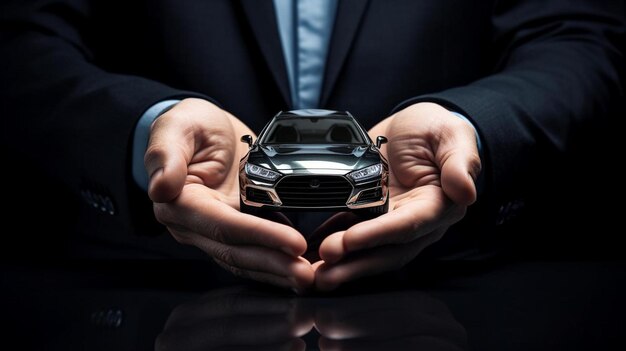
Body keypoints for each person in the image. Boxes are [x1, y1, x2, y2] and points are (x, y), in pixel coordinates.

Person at [0, 0, 623, 291]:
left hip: (453, 293)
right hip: (147, 294)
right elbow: (20, 41)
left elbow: (577, 37)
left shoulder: (360, 154)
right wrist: (145, 124)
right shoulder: (269, 149)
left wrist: (474, 125)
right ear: (258, 143)